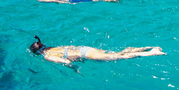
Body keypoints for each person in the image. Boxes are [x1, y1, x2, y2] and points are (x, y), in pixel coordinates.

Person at [30, 35, 165, 66]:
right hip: (86, 48)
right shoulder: (51, 48)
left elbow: (66, 61)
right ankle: (145, 47)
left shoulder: (47, 55)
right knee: (117, 53)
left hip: (86, 54)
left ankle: (151, 52)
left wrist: (74, 69)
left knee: (119, 57)